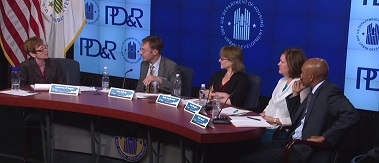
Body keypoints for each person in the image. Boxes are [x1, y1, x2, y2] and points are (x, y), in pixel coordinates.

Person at [239, 58, 360, 163]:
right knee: (248, 147)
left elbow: (351, 116)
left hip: (304, 149)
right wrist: (296, 94)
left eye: (302, 72)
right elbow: (295, 118)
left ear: (311, 77)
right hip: (292, 141)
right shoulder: (313, 90)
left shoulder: (329, 92)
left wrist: (325, 137)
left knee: (248, 159)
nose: (300, 75)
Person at [259, 48, 309, 140]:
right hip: (266, 125)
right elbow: (272, 102)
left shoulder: (301, 86)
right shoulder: (281, 81)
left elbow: (299, 117)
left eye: (282, 62)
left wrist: (274, 120)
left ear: (292, 65)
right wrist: (264, 113)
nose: (278, 64)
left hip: (280, 131)